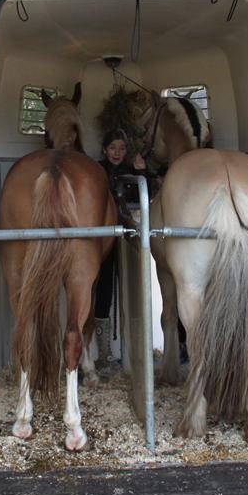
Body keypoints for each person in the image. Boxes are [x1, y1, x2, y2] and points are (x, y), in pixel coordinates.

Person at [92, 130, 151, 366]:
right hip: (103, 236)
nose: (117, 153)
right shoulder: (96, 169)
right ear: (105, 149)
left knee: (133, 288)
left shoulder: (131, 170)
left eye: (121, 148)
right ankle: (103, 351)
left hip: (126, 235)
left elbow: (142, 195)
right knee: (104, 290)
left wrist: (141, 172)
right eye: (113, 148)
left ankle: (133, 351)